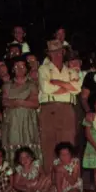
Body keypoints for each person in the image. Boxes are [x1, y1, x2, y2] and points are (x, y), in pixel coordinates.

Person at [38, 40, 82, 174]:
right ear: (49, 54)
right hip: (49, 107)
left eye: (59, 51)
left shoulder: (70, 71)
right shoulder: (43, 69)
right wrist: (66, 87)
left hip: (67, 108)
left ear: (63, 52)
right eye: (53, 52)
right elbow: (46, 88)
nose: (57, 54)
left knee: (67, 143)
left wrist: (56, 82)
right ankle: (50, 180)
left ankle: (68, 180)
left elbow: (77, 88)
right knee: (49, 143)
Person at [1, 56, 41, 165]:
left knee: (28, 143)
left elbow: (35, 103)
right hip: (12, 120)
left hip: (27, 120)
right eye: (16, 66)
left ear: (26, 68)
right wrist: (23, 102)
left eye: (22, 66)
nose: (19, 69)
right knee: (13, 143)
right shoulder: (7, 85)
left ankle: (31, 175)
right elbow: (4, 102)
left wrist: (19, 102)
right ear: (13, 69)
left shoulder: (31, 84)